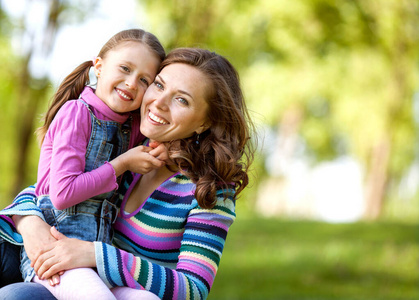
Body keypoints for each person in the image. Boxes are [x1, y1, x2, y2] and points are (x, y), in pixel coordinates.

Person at [0, 47, 254, 300]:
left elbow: (193, 290)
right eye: (158, 85)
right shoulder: (129, 148)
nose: (159, 102)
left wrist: (95, 255)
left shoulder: (210, 189)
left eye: (181, 100)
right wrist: (29, 223)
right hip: (69, 275)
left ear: (205, 122)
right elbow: (48, 188)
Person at [1, 28, 168, 299]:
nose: (131, 83)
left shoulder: (130, 127)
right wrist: (121, 164)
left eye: (144, 80)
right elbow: (63, 194)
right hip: (56, 255)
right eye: (124, 68)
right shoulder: (76, 114)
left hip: (97, 259)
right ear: (99, 67)